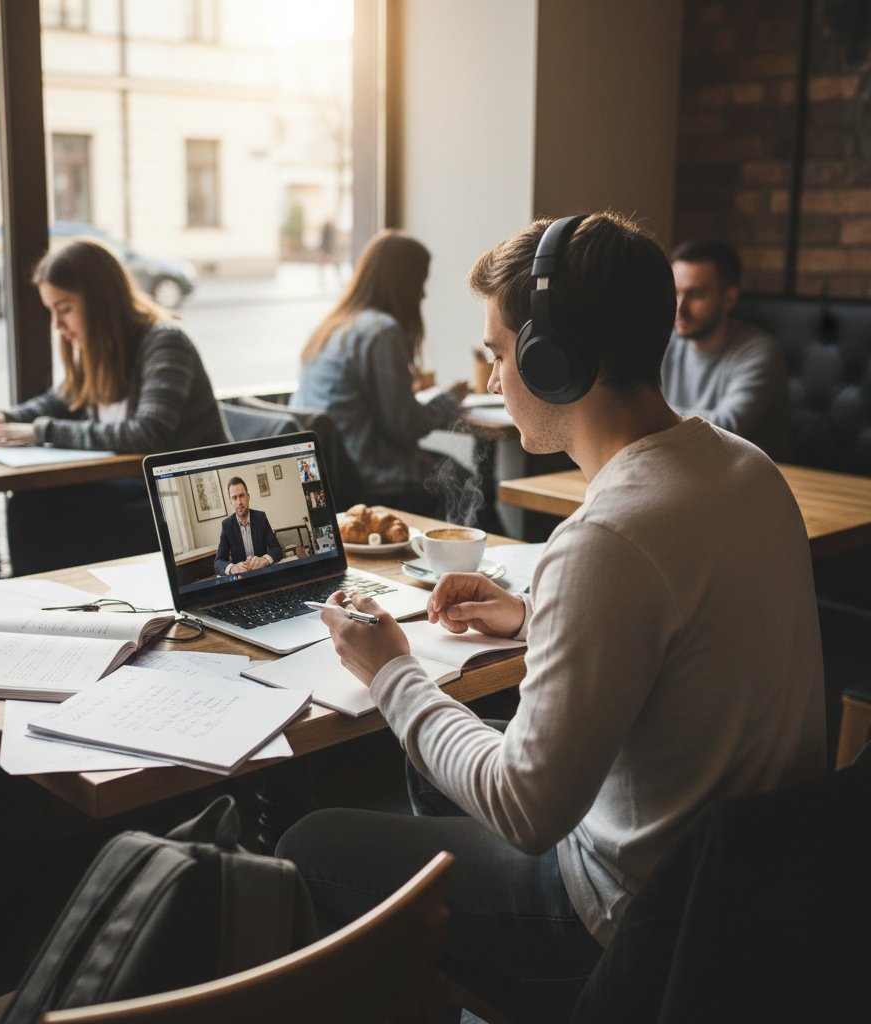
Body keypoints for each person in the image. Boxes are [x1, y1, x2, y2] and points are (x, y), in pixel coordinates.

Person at [277, 212, 825, 1019]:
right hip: (746, 885)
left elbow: (528, 812)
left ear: (556, 359)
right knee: (424, 780)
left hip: (624, 915)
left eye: (500, 353)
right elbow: (689, 629)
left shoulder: (607, 534)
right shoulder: (744, 469)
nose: (495, 377)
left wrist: (390, 670)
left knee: (305, 846)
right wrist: (535, 616)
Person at [0, 238, 227, 576]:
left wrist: (40, 432)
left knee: (47, 518)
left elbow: (147, 433)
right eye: (52, 311)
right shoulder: (101, 348)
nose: (57, 325)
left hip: (183, 502)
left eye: (65, 309)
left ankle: (52, 605)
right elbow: (61, 400)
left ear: (100, 301)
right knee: (30, 506)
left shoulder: (165, 341)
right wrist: (6, 417)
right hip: (138, 487)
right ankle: (36, 607)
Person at [293, 230, 485, 523]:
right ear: (404, 284)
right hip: (370, 479)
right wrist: (450, 398)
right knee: (469, 484)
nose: (424, 294)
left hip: (327, 477)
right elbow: (405, 426)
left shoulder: (332, 327)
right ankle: (496, 559)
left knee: (452, 470)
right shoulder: (382, 332)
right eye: (421, 282)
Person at [661, 239, 792, 460]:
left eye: (696, 295)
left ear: (729, 299)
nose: (679, 308)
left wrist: (645, 413)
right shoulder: (664, 342)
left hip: (753, 481)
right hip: (685, 466)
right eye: (675, 292)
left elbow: (727, 427)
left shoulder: (761, 353)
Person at [213, 477, 283, 576]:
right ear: (230, 500)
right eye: (234, 497)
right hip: (242, 579)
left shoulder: (261, 517)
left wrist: (264, 560)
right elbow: (218, 562)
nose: (239, 502)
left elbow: (277, 549)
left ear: (248, 497)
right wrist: (233, 568)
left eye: (242, 496)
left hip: (263, 574)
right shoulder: (226, 525)